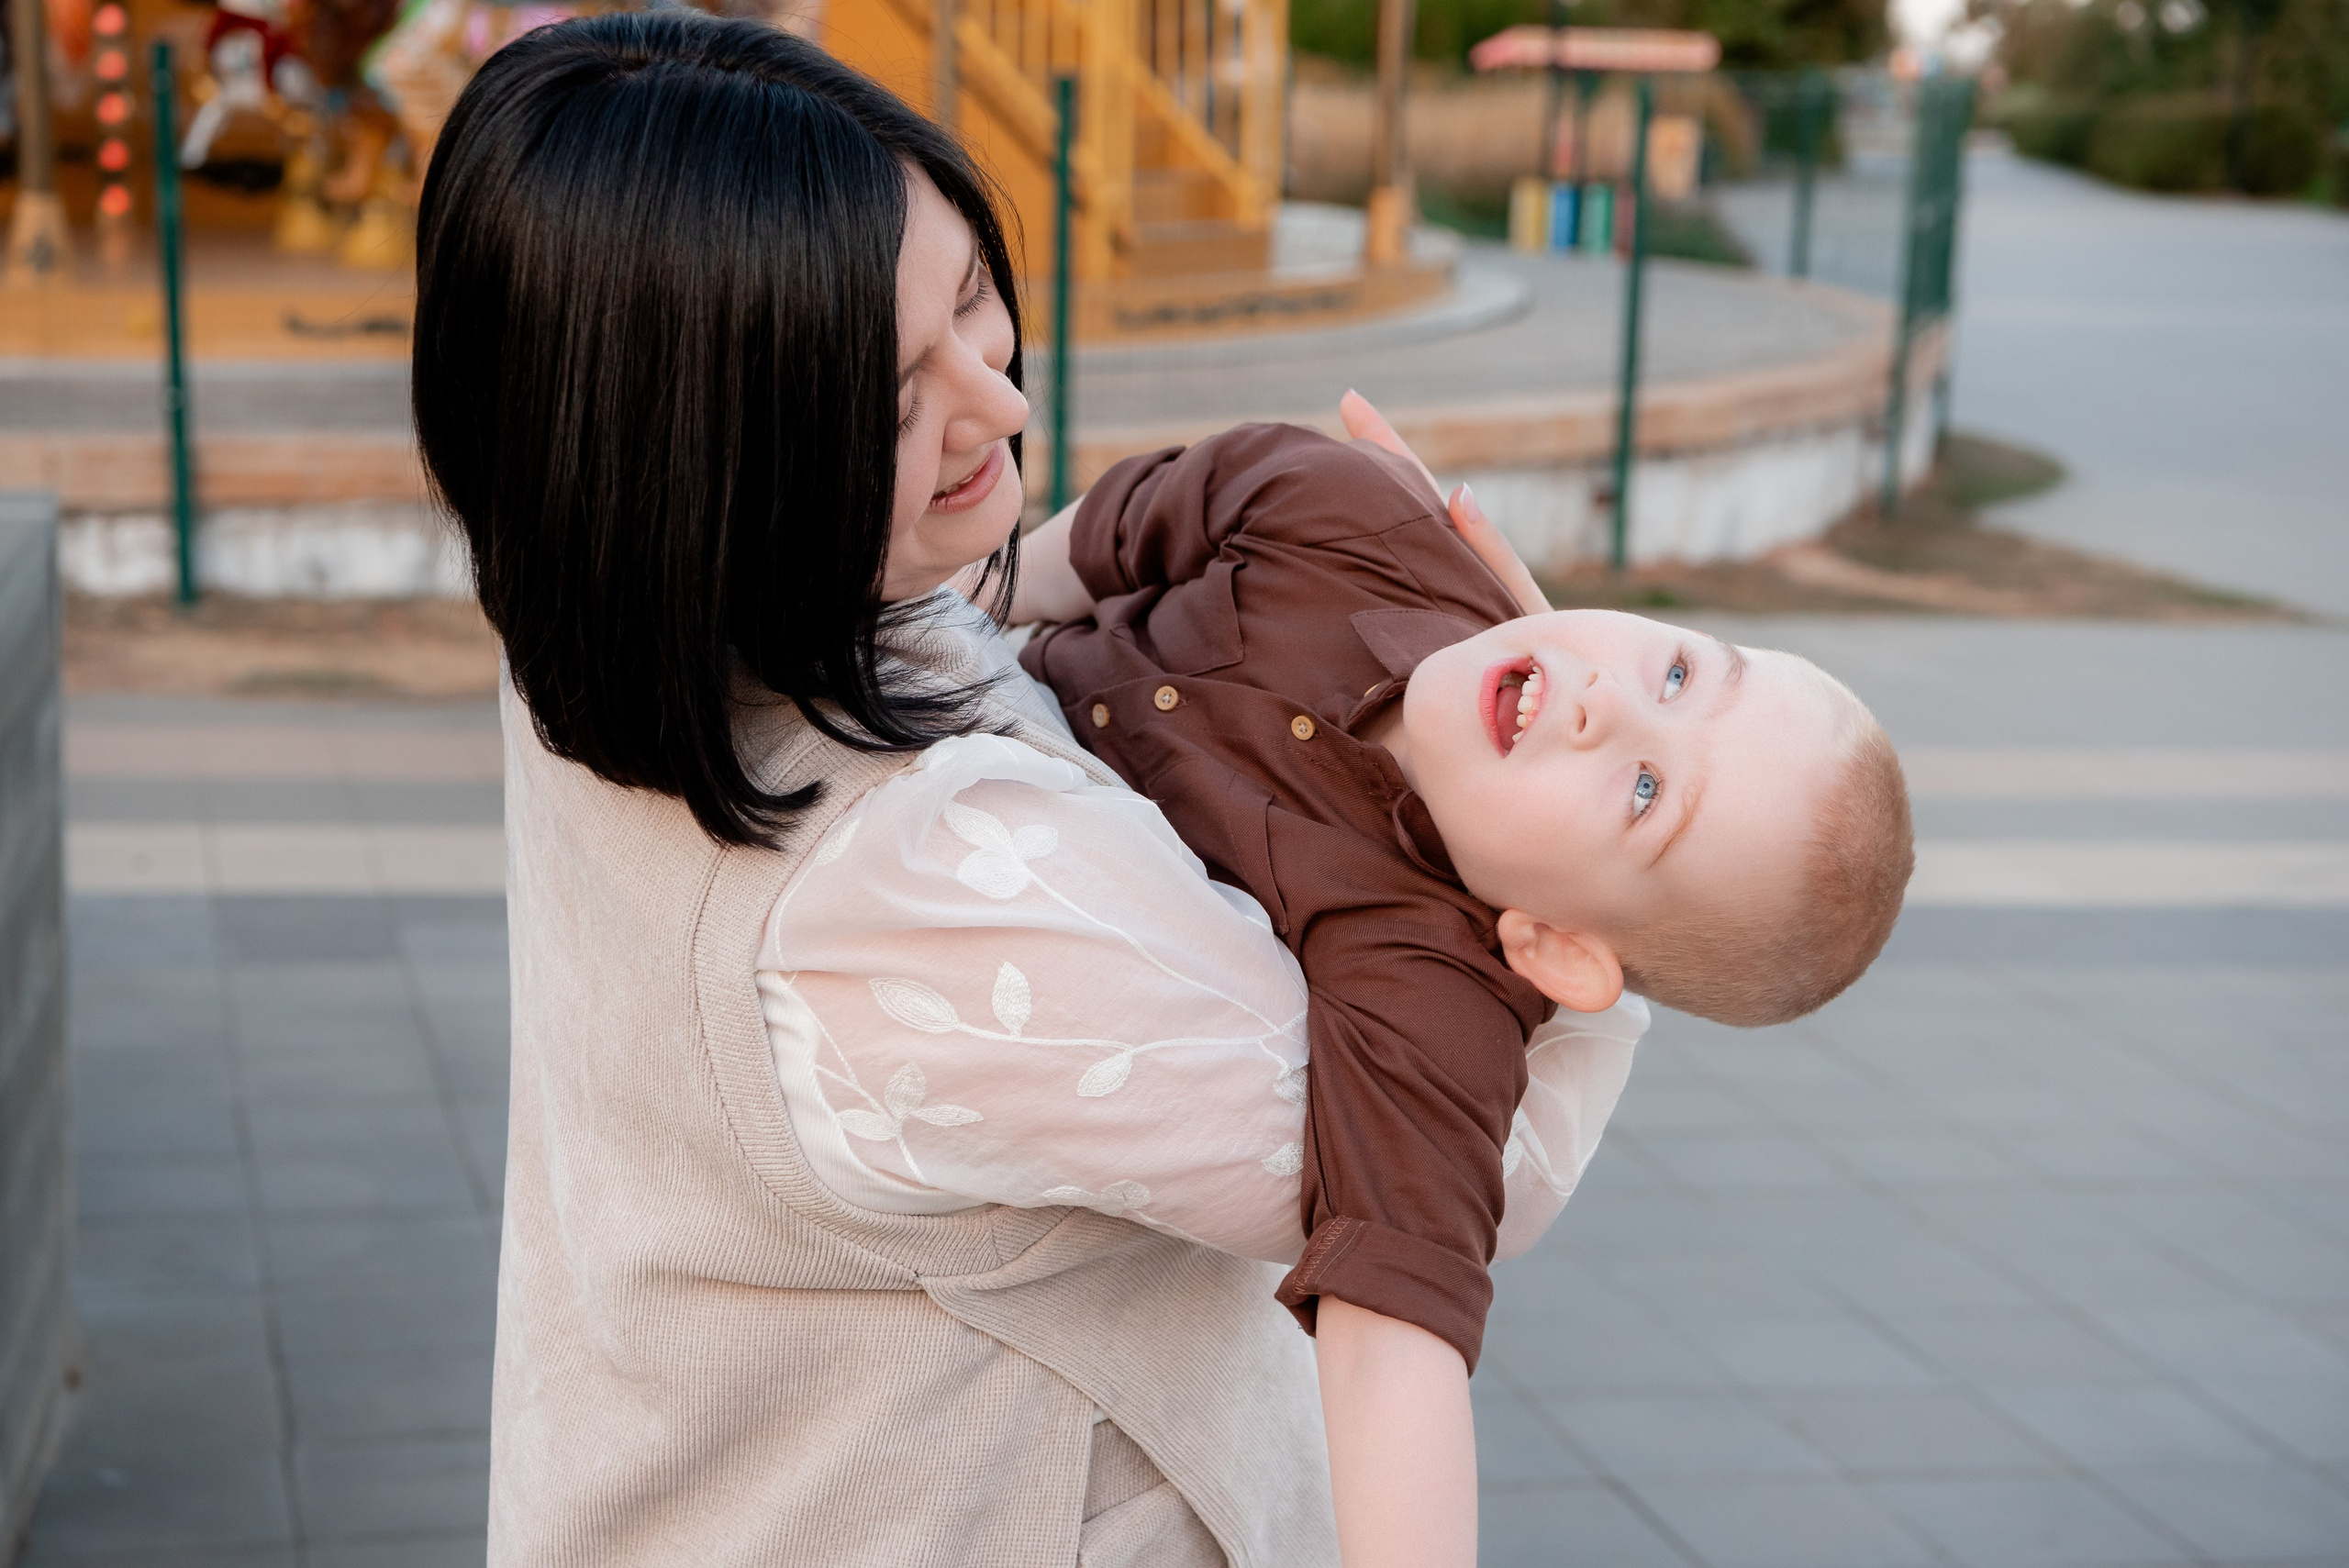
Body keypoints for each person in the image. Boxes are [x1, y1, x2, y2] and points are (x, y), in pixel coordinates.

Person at [413, 14, 1638, 1565]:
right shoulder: (944, 874)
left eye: (975, 301)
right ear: (700, 451)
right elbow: (1456, 1160)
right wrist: (1595, 869)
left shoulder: (608, 620)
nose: (994, 405)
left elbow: (1009, 589)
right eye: (886, 396)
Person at [1010, 416, 1915, 1540]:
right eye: (1677, 671)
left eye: (1644, 793)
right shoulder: (1359, 518)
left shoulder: (1428, 978)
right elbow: (1124, 522)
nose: (1608, 701)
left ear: (1558, 947)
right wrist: (966, 598)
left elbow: (1398, 1338)